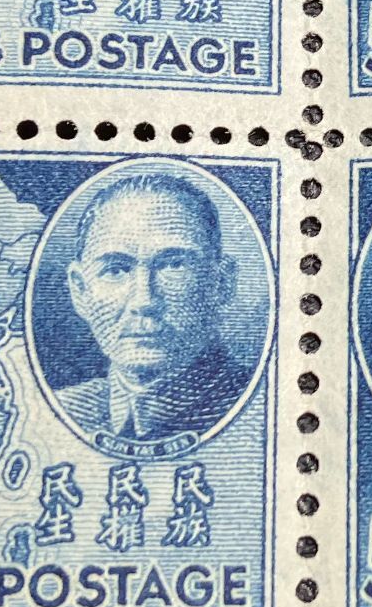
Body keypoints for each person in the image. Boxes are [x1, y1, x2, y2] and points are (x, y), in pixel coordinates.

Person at [55, 168, 254, 446]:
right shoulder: (61, 410)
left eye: (173, 265)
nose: (144, 301)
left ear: (221, 283)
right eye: (115, 270)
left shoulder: (259, 402)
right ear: (80, 291)